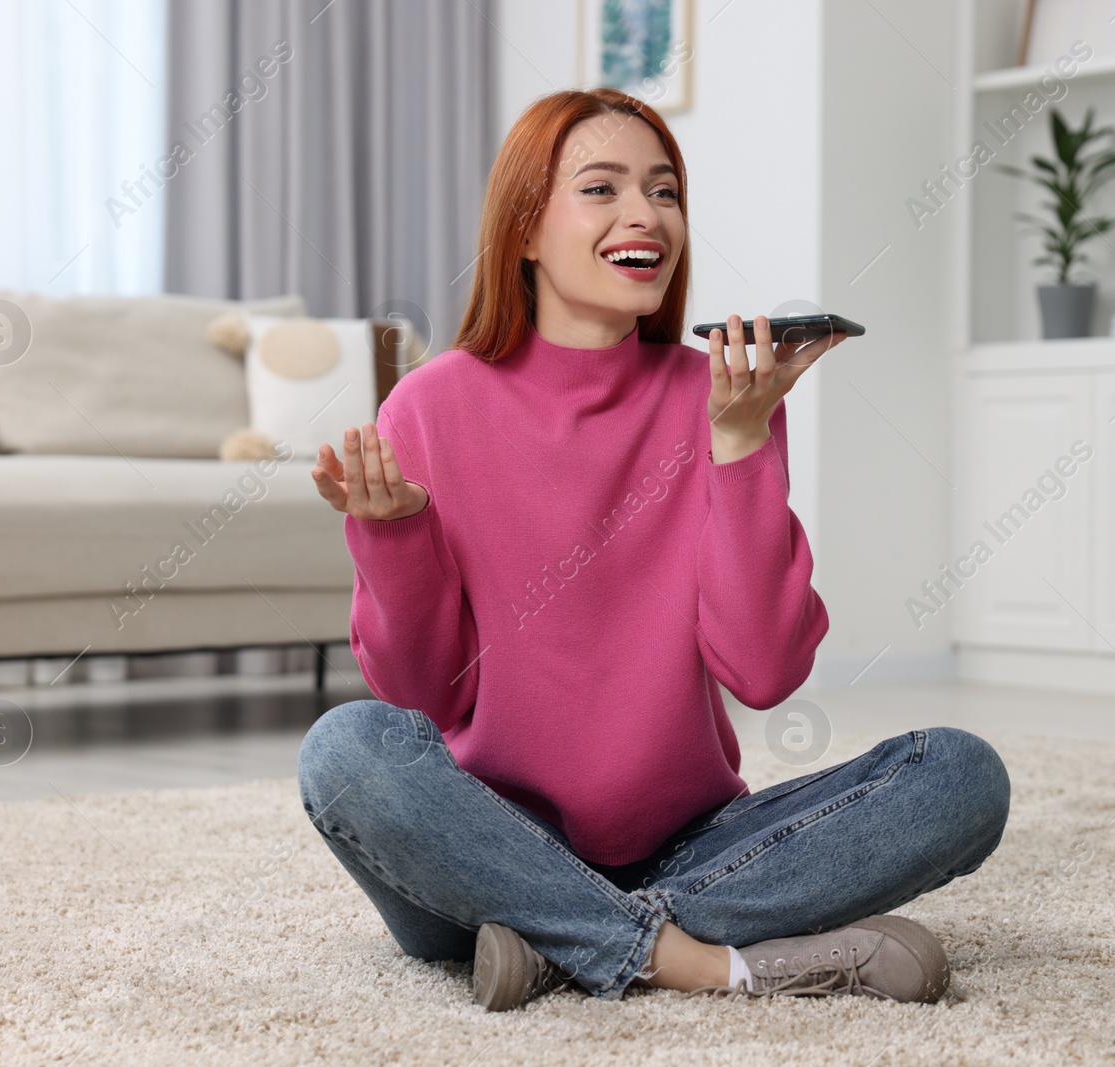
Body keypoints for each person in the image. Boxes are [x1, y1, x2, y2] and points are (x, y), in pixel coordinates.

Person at [297, 87, 1010, 1012]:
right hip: (480, 856)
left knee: (960, 774)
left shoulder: (715, 398)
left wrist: (743, 442)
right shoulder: (431, 406)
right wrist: (395, 536)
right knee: (345, 749)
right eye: (603, 189)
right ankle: (704, 960)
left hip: (689, 842)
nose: (646, 215)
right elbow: (423, 698)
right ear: (523, 227)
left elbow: (761, 671)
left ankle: (563, 942)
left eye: (664, 191)